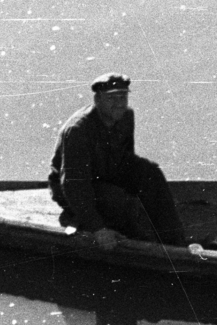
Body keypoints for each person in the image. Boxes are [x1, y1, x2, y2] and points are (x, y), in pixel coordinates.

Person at [48, 73, 186, 250]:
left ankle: (174, 243)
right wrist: (97, 228)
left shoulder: (126, 116)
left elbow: (126, 157)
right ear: (97, 100)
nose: (119, 103)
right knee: (118, 200)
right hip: (72, 187)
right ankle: (130, 237)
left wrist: (142, 183)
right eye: (111, 98)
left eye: (123, 97)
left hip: (104, 172)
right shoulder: (78, 130)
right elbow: (73, 184)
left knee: (151, 173)